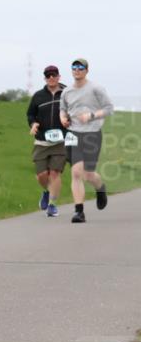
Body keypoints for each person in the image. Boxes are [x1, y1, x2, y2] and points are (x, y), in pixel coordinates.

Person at [59, 58, 113, 223]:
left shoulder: (96, 88)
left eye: (80, 67)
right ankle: (79, 212)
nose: (77, 70)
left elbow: (109, 108)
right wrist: (63, 119)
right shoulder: (67, 91)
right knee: (76, 173)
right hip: (73, 134)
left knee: (88, 174)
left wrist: (91, 116)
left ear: (86, 70)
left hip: (92, 133)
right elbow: (63, 109)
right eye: (74, 67)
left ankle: (100, 188)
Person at [26, 65, 66, 217]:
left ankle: (52, 205)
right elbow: (30, 114)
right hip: (42, 141)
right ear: (45, 78)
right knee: (41, 175)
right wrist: (33, 124)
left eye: (53, 75)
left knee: (55, 173)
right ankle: (46, 192)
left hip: (60, 141)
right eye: (48, 75)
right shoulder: (38, 96)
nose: (51, 77)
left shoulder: (67, 94)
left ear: (58, 76)